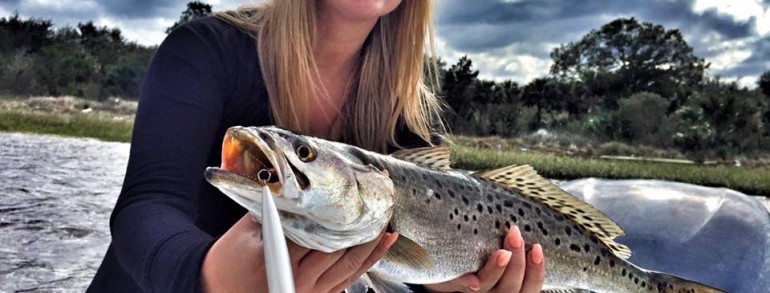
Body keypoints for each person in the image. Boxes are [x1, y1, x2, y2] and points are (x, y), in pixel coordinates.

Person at [88, 0, 546, 292]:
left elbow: (413, 269)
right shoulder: (203, 50)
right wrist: (206, 277)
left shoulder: (411, 122)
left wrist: (453, 284)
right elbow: (146, 206)